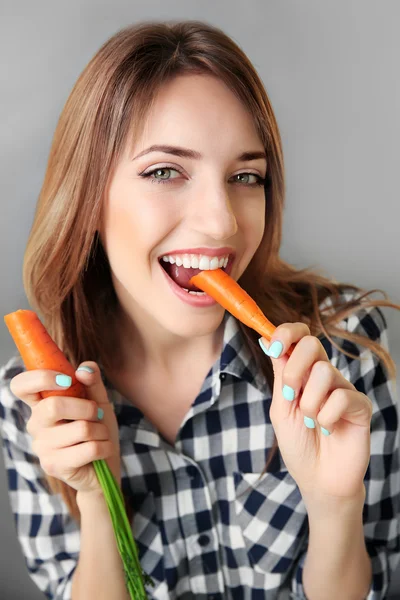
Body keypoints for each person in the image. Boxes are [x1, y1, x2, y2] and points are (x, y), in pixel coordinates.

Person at [0, 19, 399, 600]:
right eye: (166, 171)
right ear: (88, 200)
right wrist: (98, 496)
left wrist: (335, 504)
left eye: (245, 176)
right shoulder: (37, 402)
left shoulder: (343, 352)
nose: (223, 223)